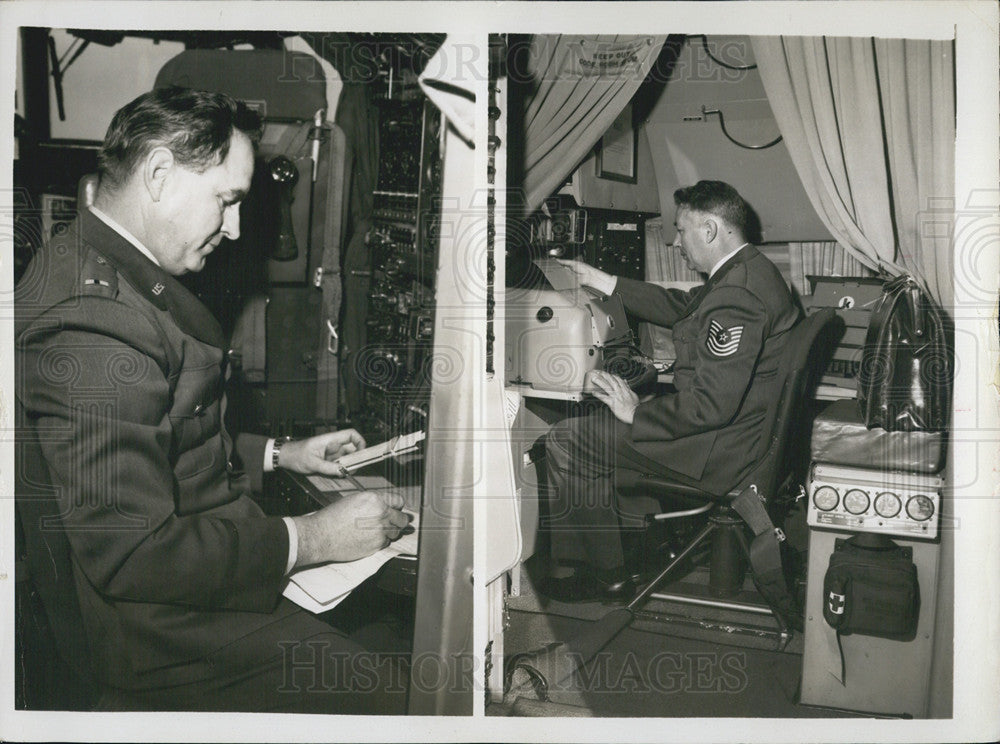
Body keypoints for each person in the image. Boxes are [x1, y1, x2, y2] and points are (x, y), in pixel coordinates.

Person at [15, 87, 412, 712]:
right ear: (159, 174)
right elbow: (136, 552)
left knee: (389, 642)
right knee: (399, 697)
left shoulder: (110, 267)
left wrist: (283, 455)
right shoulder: (91, 323)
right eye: (226, 201)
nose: (232, 230)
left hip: (192, 583)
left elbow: (165, 439)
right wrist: (312, 538)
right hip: (156, 638)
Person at [539, 180, 800, 603]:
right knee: (606, 426)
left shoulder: (737, 294)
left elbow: (711, 405)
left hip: (719, 451)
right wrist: (604, 281)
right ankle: (644, 547)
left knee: (569, 439)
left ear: (711, 230)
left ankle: (606, 575)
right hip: (742, 435)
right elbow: (686, 307)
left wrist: (637, 413)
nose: (676, 243)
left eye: (681, 230)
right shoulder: (752, 270)